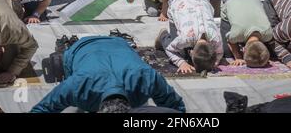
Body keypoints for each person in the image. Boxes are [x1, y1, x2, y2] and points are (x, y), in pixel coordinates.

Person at [31, 36, 185, 113]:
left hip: (118, 44)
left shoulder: (146, 77)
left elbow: (175, 107)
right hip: (80, 48)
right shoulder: (77, 85)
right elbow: (42, 109)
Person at [156, 0, 223, 74]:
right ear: (191, 52)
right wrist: (181, 63)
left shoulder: (215, 39)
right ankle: (163, 36)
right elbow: (169, 49)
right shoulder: (185, 38)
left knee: (182, 50)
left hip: (202, 2)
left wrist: (215, 62)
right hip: (178, 5)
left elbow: (219, 53)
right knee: (182, 54)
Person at [221, 0, 273, 67]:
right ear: (244, 49)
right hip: (231, 3)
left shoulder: (268, 34)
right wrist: (238, 57)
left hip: (254, 1)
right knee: (227, 52)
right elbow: (230, 41)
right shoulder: (237, 34)